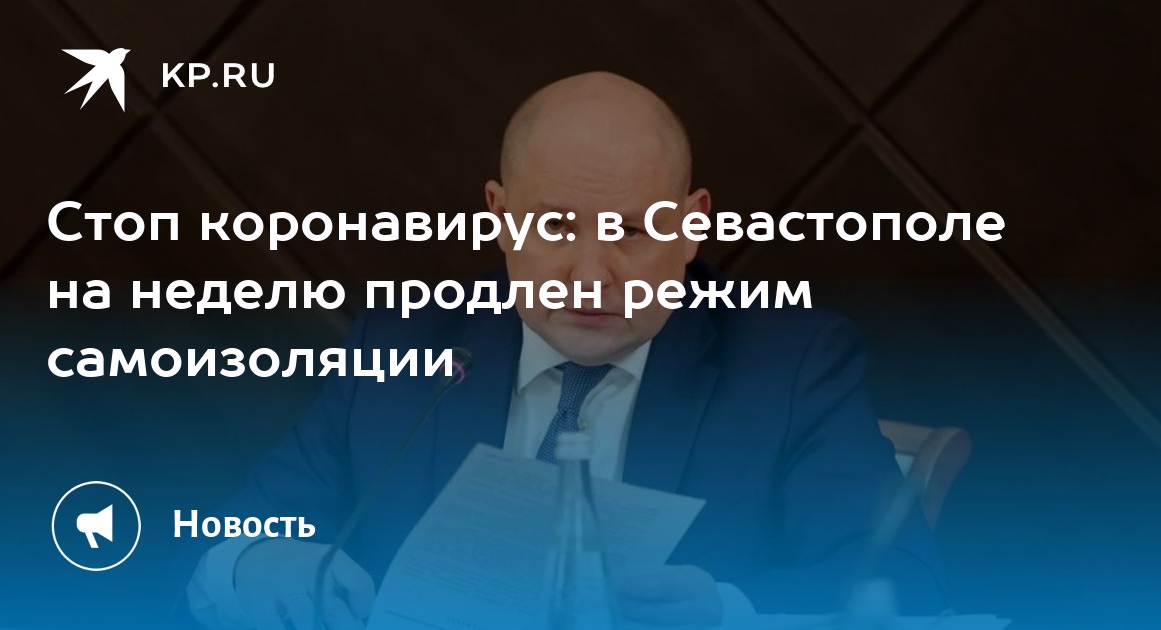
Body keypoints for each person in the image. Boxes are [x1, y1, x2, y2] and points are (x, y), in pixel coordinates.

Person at [184, 71, 945, 629]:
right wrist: (250, 564)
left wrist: (728, 611)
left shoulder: (790, 362)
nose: (591, 276)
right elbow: (224, 542)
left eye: (633, 232)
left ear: (692, 227)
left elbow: (904, 581)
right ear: (499, 215)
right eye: (554, 227)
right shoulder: (404, 342)